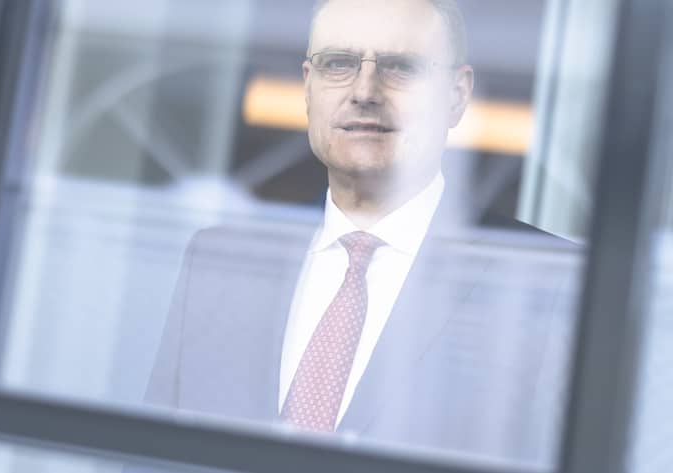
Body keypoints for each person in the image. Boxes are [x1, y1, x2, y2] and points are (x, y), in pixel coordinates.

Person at [144, 0, 576, 466]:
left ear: (456, 94)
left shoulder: (549, 282)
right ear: (308, 87)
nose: (364, 91)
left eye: (401, 67)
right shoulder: (221, 260)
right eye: (338, 64)